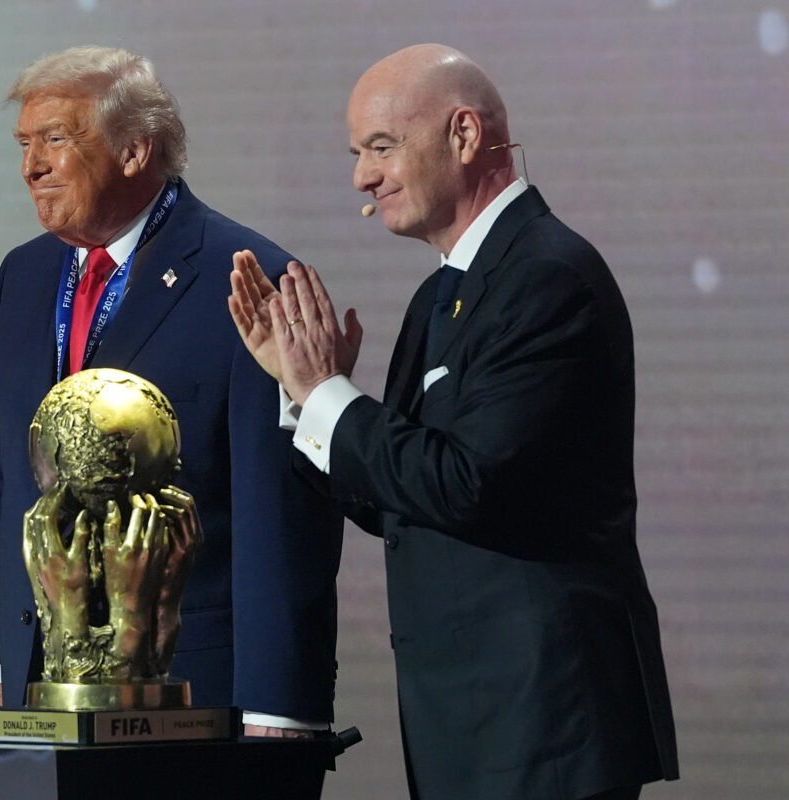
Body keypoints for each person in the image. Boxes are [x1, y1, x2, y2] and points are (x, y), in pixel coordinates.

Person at [228, 44, 679, 799]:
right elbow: (398, 502)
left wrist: (327, 391)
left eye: (381, 147)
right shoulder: (442, 295)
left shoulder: (544, 277)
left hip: (547, 729)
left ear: (464, 135)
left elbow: (466, 483)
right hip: (475, 726)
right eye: (356, 154)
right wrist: (301, 394)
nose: (362, 177)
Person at [0, 45, 344, 740]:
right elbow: (3, 483)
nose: (31, 166)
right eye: (24, 144)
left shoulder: (247, 279)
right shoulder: (22, 277)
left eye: (55, 139)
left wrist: (279, 707)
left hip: (193, 695)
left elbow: (282, 520)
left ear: (135, 151)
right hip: (36, 686)